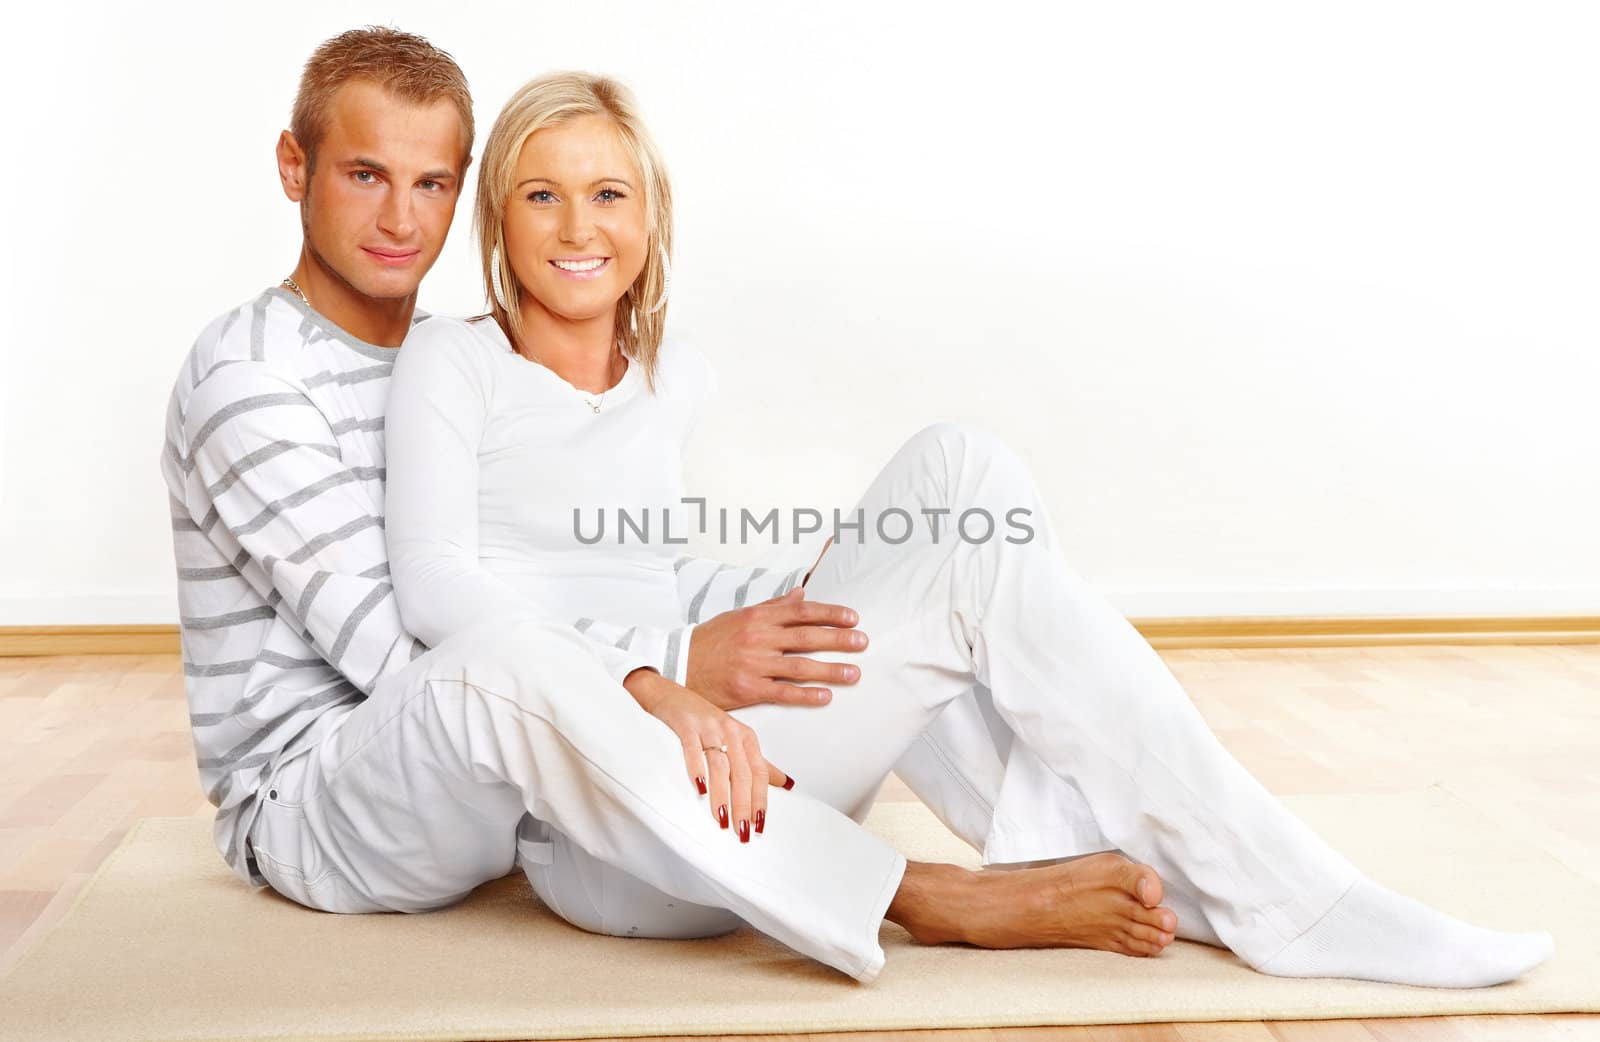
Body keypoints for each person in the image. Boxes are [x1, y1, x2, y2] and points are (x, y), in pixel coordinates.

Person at [380, 68, 1556, 990]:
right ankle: (1273, 893)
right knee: (962, 521)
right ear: (500, 216)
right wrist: (663, 677)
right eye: (541, 192)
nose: (576, 225)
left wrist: (786, 594)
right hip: (613, 830)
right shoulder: (454, 359)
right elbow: (441, 594)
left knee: (962, 484)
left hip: (735, 767)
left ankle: (1166, 861)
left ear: (650, 218)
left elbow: (638, 564)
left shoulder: (669, 377)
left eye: (607, 193)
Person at [160, 26, 1197, 986]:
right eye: (363, 175)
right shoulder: (251, 382)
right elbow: (415, 652)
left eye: (432, 182)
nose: (401, 218)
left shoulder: (443, 358)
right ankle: (908, 892)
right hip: (320, 804)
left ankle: (1106, 837)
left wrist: (786, 597)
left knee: (877, 590)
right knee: (504, 665)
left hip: (489, 787)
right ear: (295, 168)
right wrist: (664, 672)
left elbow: (575, 569)